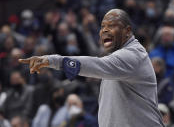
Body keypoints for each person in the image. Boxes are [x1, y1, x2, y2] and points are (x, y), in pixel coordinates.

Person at [19, 9, 164, 127]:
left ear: (127, 30)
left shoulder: (133, 55)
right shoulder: (117, 57)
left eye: (112, 26)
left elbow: (97, 64)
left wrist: (54, 60)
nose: (105, 30)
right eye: (103, 26)